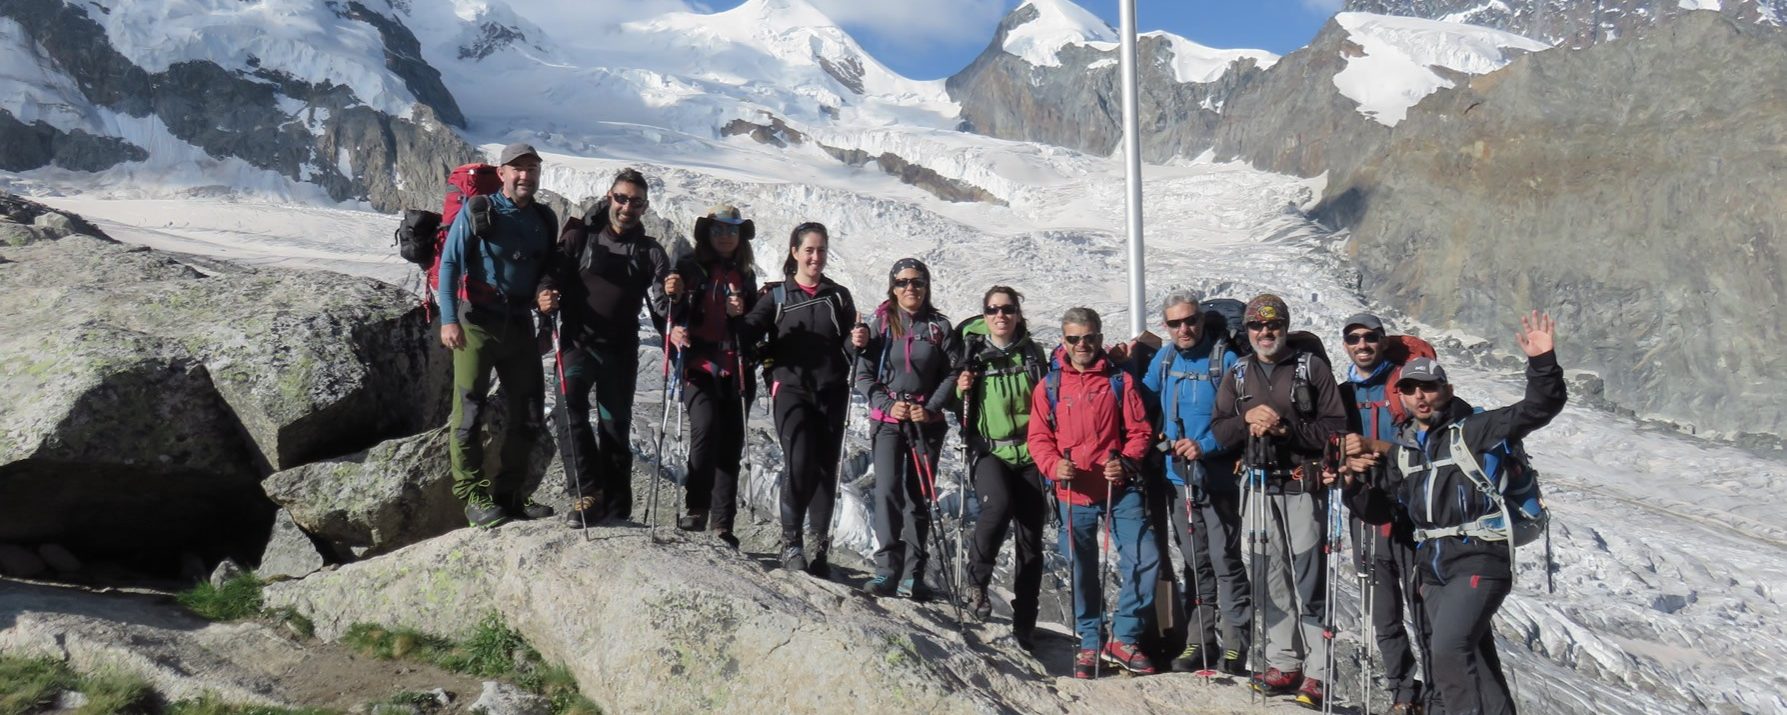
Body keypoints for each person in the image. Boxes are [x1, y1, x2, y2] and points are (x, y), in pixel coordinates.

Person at [1335, 312, 1565, 715]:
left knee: (1448, 650)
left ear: (1447, 389)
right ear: (1402, 396)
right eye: (1411, 388)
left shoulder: (1476, 429)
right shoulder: (1407, 453)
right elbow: (1378, 510)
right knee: (1476, 656)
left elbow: (1539, 407)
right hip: (1435, 568)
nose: (1420, 395)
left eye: (1429, 386)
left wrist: (1542, 362)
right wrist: (1352, 483)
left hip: (1478, 557)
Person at [1210, 294, 1346, 707]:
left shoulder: (1311, 368)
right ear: (1247, 331)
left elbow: (1336, 427)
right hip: (1256, 486)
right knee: (1269, 576)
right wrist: (1246, 420)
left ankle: (1318, 673)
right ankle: (1282, 662)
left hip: (1300, 486)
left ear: (1285, 328)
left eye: (1273, 326)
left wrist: (1287, 431)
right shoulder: (1237, 372)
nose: (1265, 333)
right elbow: (1218, 429)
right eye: (1256, 326)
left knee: (1309, 577)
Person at [1027, 307, 1159, 678]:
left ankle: (1124, 638)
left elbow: (1139, 432)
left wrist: (1128, 462)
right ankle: (1090, 641)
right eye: (1073, 338)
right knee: (1081, 568)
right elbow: (1038, 437)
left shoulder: (1120, 381)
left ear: (1100, 339)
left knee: (1145, 558)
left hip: (1119, 488)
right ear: (1064, 341)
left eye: (1088, 337)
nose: (1082, 344)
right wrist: (1053, 466)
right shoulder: (1050, 386)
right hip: (1073, 493)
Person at [537, 168, 673, 527]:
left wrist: (675, 319)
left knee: (615, 427)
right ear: (609, 197)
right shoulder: (580, 239)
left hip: (621, 352)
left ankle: (615, 503)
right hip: (578, 344)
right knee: (569, 411)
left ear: (644, 208)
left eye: (636, 202)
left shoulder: (651, 252)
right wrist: (545, 295)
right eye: (622, 198)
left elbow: (663, 307)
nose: (627, 207)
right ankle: (585, 493)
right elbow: (552, 274)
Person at [438, 142, 559, 528]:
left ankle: (510, 495)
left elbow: (547, 273)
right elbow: (451, 263)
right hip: (477, 323)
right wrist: (448, 320)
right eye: (518, 168)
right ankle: (472, 495)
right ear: (503, 173)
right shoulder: (480, 210)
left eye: (532, 168)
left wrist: (545, 324)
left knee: (528, 413)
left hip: (520, 325)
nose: (526, 175)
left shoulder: (544, 218)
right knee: (469, 412)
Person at [738, 222, 859, 575]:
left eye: (821, 250)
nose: (816, 257)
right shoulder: (776, 297)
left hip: (832, 390)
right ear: (794, 252)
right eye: (809, 249)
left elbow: (850, 344)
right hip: (790, 390)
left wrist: (859, 340)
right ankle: (792, 544)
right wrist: (738, 318)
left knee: (825, 468)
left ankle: (819, 547)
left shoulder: (838, 296)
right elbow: (748, 332)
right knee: (800, 462)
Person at [1141, 290, 1250, 675]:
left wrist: (1203, 445)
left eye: (1190, 321)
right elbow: (1142, 400)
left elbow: (1243, 420)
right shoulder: (1165, 358)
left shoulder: (1227, 360)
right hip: (1177, 479)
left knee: (1225, 560)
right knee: (1194, 562)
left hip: (1217, 477)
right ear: (1166, 327)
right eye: (1175, 323)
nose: (1184, 329)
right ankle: (1198, 642)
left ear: (1202, 321)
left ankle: (1235, 644)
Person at [855, 258, 958, 599]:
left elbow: (952, 374)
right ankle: (887, 569)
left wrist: (929, 409)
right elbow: (863, 374)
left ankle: (912, 574)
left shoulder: (939, 326)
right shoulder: (880, 324)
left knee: (918, 496)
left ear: (927, 286)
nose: (910, 288)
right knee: (887, 492)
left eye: (917, 282)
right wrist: (887, 405)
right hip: (887, 421)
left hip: (925, 423)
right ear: (892, 286)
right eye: (902, 282)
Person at [953, 286, 1050, 648]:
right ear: (985, 314)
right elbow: (955, 402)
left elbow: (1047, 398)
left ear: (1017, 313)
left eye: (1007, 309)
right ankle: (976, 583)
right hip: (989, 450)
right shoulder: (973, 352)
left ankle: (1026, 618)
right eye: (993, 310)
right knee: (997, 507)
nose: (1000, 316)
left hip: (1031, 453)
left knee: (1030, 539)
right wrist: (961, 387)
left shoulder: (1032, 353)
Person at [1337, 312, 1425, 711]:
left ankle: (1439, 692)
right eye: (1354, 338)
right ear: (1345, 345)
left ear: (1382, 340)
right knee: (1384, 613)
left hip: (1412, 513)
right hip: (1365, 511)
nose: (1362, 345)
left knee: (1426, 611)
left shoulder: (1405, 387)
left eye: (1370, 337)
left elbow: (1427, 444)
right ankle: (1403, 695)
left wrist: (1373, 446)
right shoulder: (1339, 395)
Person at [664, 204, 759, 547]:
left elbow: (752, 324)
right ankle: (697, 507)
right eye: (718, 229)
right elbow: (668, 310)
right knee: (704, 429)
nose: (724, 236)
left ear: (740, 237)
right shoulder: (689, 268)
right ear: (706, 232)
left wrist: (741, 313)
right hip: (697, 364)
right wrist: (674, 328)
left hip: (735, 368)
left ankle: (722, 523)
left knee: (730, 442)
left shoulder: (745, 275)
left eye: (730, 231)